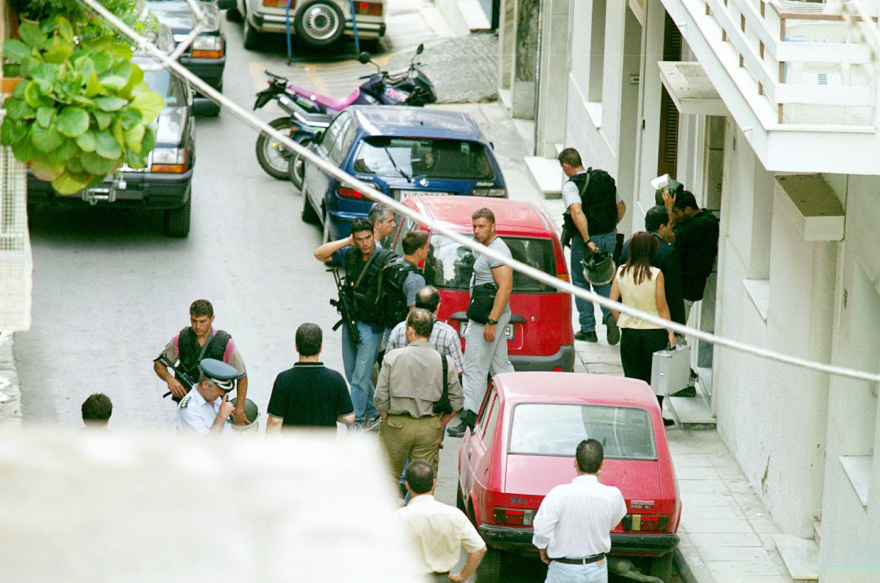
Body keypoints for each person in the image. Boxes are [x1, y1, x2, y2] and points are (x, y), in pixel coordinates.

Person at [315, 217, 396, 430]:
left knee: (360, 377)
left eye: (368, 237)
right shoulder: (350, 253)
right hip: (350, 321)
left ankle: (357, 422)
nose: (365, 243)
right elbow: (319, 253)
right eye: (359, 239)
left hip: (372, 326)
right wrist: (346, 241)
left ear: (373, 234)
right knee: (352, 375)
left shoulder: (385, 258)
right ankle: (372, 412)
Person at [447, 208, 514, 438]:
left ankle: (469, 419)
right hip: (487, 314)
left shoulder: (497, 251)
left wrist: (492, 321)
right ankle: (518, 405)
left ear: (493, 226)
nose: (477, 230)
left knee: (474, 367)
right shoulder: (490, 248)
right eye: (474, 226)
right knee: (500, 366)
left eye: (482, 226)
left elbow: (505, 287)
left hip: (486, 317)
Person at [374, 309, 463, 480]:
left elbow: (380, 397)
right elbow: (457, 401)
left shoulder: (392, 358)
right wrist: (440, 424)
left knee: (387, 480)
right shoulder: (445, 362)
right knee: (423, 481)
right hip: (429, 427)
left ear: (410, 330)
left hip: (396, 425)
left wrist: (386, 418)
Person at [532, 439, 627, 583]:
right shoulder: (613, 495)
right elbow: (613, 522)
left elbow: (542, 529)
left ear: (575, 462)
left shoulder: (558, 494)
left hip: (564, 569)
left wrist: (542, 548)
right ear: (602, 464)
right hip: (597, 568)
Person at [558, 148, 626, 345]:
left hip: (586, 241)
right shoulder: (603, 179)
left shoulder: (572, 186)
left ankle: (588, 329)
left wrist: (587, 240)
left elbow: (577, 213)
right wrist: (612, 226)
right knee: (604, 278)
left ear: (566, 166)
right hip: (609, 236)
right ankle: (611, 315)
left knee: (581, 282)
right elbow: (622, 207)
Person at [610, 232, 676, 421]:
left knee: (632, 377)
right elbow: (662, 307)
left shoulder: (621, 271)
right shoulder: (655, 274)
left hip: (629, 332)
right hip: (654, 333)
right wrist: (670, 332)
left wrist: (620, 320)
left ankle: (634, 415)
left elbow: (612, 301)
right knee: (655, 378)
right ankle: (655, 417)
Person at [154, 299, 249, 426]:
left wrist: (240, 409)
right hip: (188, 406)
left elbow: (242, 376)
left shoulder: (225, 343)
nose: (198, 326)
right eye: (194, 321)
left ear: (212, 319)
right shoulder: (182, 339)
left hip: (216, 405)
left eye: (202, 321)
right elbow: (159, 364)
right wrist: (170, 380)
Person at [394, 461, 487, 582]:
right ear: (433, 483)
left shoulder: (399, 517)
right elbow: (479, 549)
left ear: (407, 485)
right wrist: (462, 576)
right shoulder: (455, 515)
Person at [265, 323, 355, 433]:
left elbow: (275, 421)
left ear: (296, 347)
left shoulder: (284, 379)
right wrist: (329, 412)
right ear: (321, 348)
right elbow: (349, 418)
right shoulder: (335, 379)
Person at [619, 206, 686, 327]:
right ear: (661, 227)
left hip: (630, 320)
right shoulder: (669, 253)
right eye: (670, 223)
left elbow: (619, 281)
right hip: (656, 322)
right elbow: (674, 293)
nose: (673, 227)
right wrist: (678, 326)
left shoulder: (628, 245)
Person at [661, 190, 720, 323]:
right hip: (684, 283)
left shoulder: (701, 225)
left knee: (676, 329)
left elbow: (665, 235)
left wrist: (668, 210)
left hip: (686, 287)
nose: (674, 217)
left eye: (676, 212)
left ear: (688, 210)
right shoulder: (699, 219)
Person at [386, 286, 464, 377]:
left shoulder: (398, 330)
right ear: (438, 306)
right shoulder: (448, 334)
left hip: (402, 388)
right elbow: (458, 370)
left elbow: (388, 364)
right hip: (435, 389)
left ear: (415, 304)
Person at [381, 230, 429, 332]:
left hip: (389, 328)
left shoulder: (392, 265)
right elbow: (415, 315)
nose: (428, 250)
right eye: (427, 247)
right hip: (405, 332)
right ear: (419, 251)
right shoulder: (415, 279)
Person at [176, 358, 238, 436]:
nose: (222, 393)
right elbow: (206, 444)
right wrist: (221, 417)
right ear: (205, 385)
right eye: (219, 389)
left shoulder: (214, 398)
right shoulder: (189, 408)